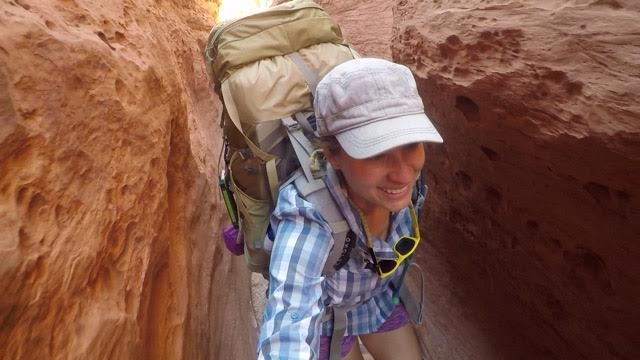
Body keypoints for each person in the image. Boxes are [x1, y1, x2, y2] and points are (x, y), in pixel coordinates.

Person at [257, 58, 444, 360]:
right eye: (376, 152)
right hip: (326, 319)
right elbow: (288, 320)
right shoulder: (308, 217)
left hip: (376, 297)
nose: (403, 174)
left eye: (411, 144)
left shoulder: (406, 180)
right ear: (332, 155)